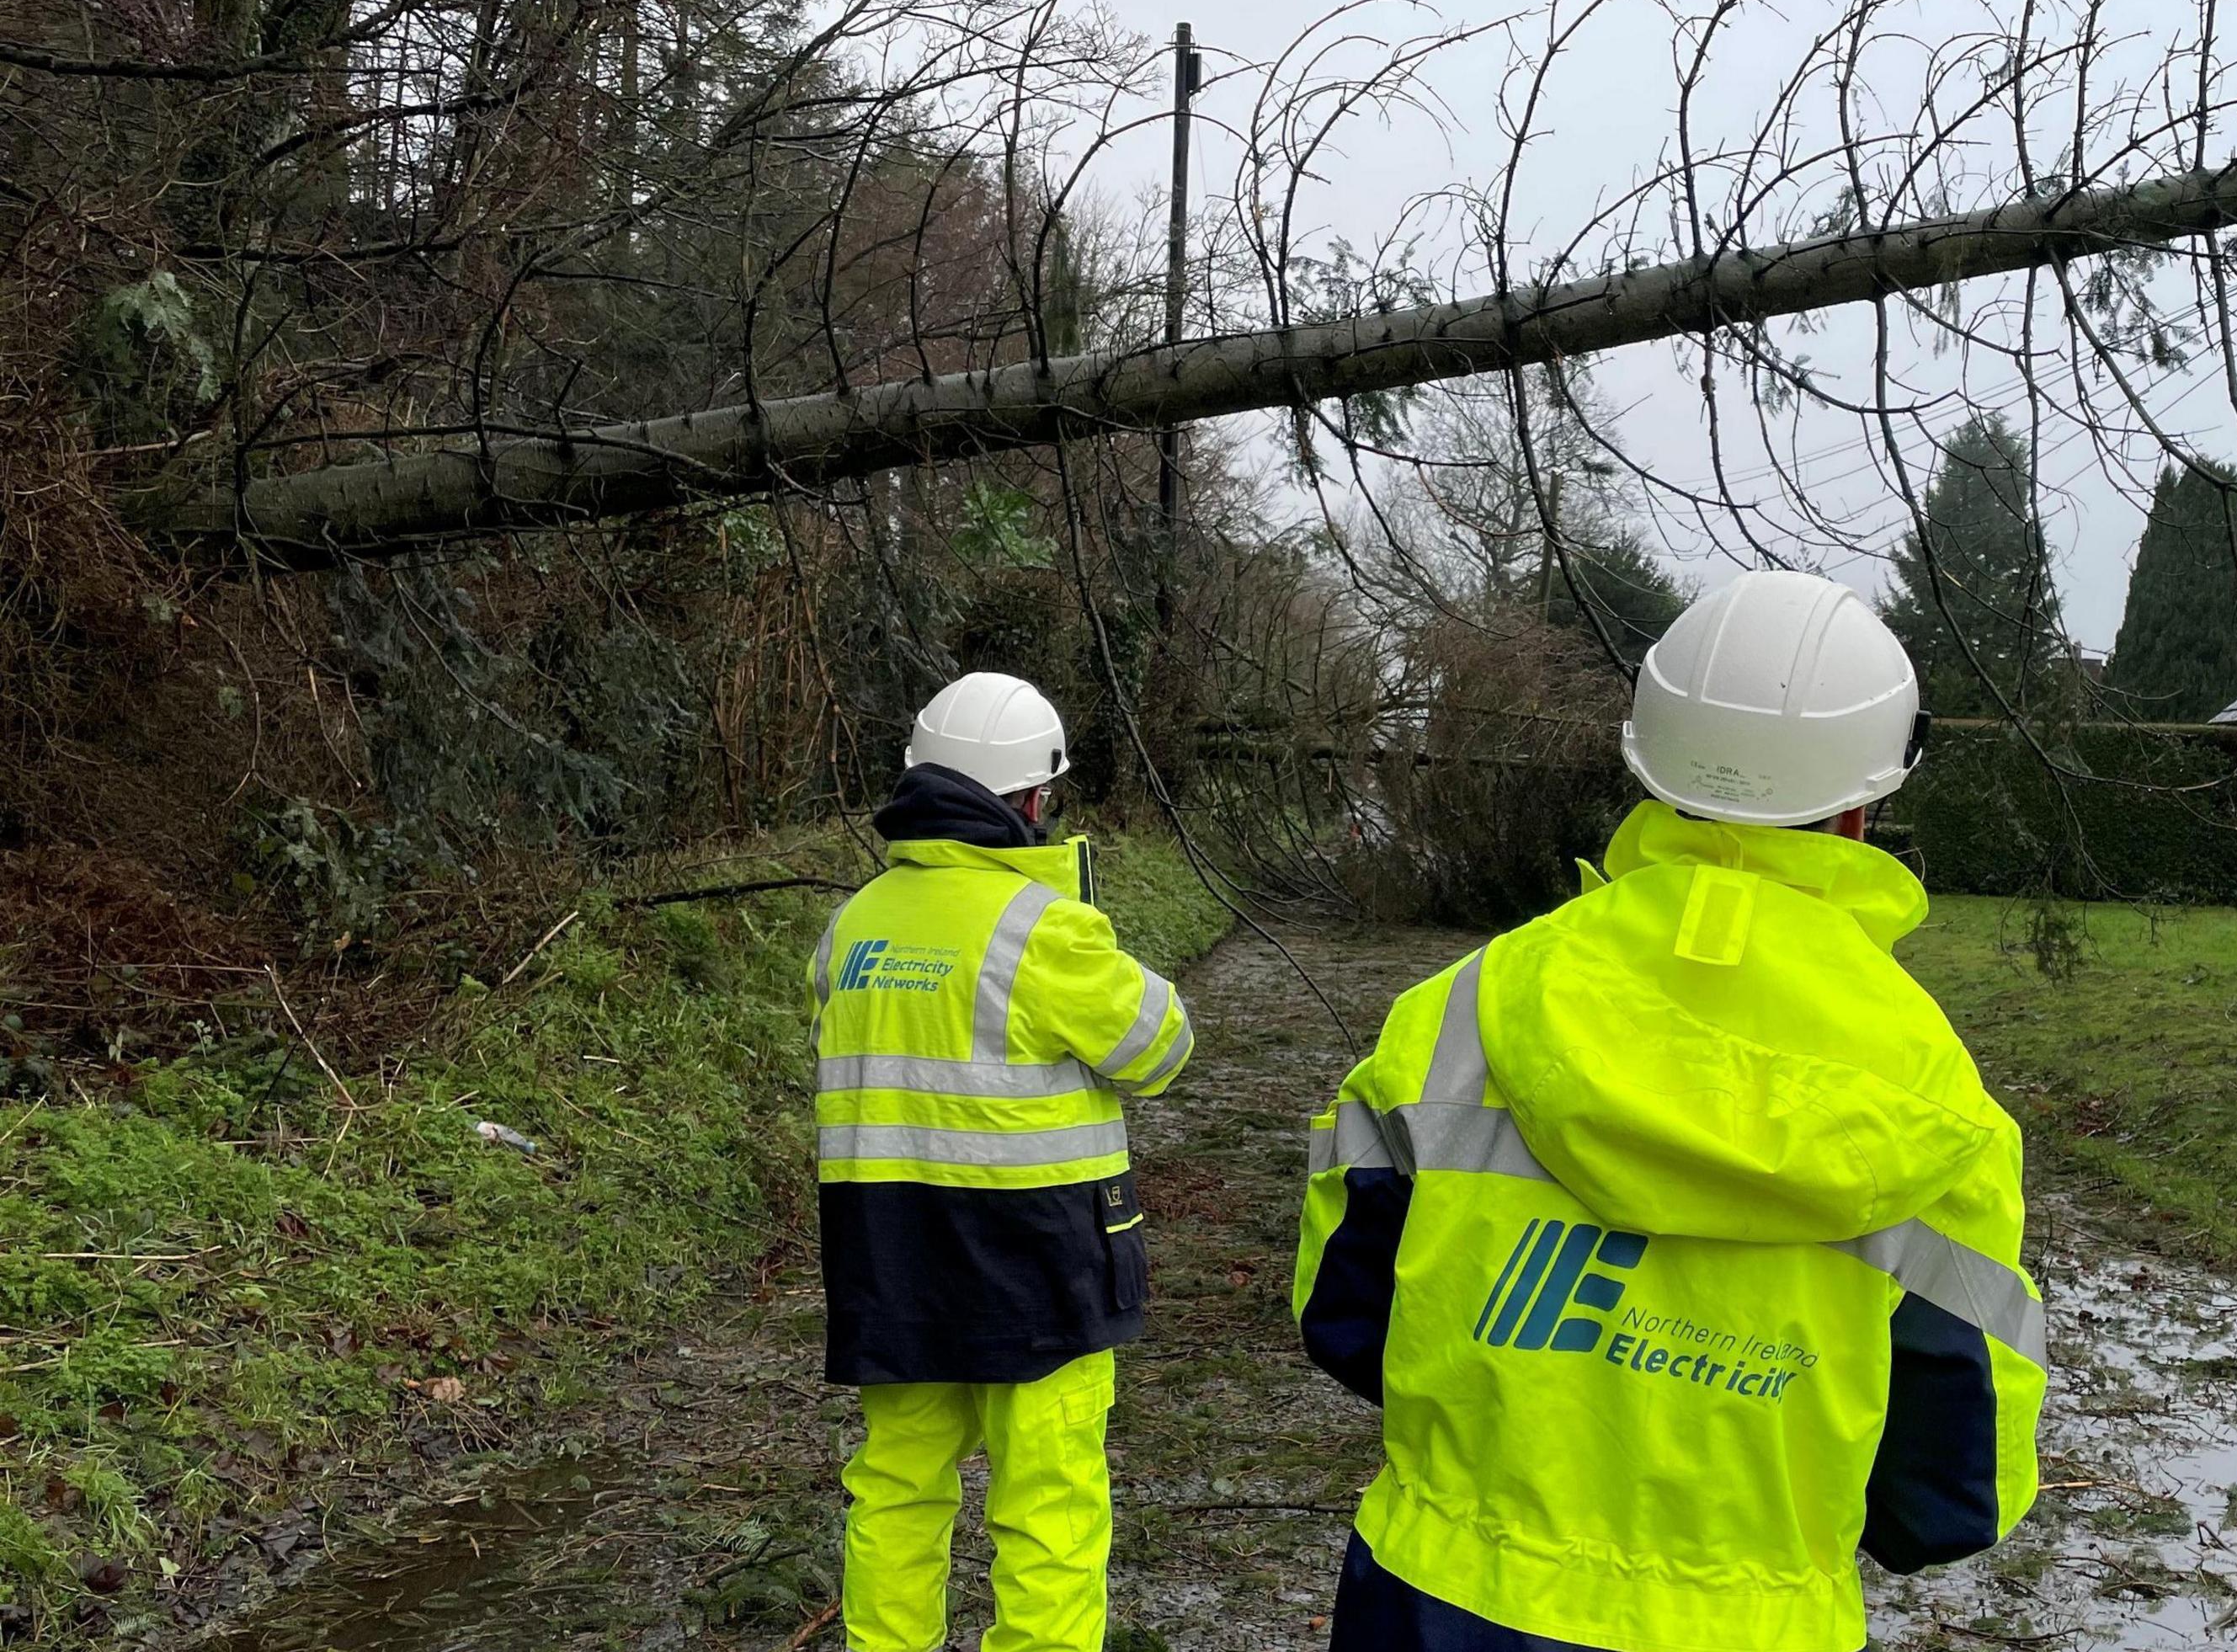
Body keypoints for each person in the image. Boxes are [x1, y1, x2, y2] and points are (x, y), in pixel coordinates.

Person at [1292, 571, 2045, 1652]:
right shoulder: (1940, 1100)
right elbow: (1948, 1494)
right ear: (1862, 804)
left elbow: (1343, 1312)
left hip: (1439, 1596)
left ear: (1646, 758)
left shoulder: (1462, 1009)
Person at [812, 671, 1193, 1652]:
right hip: (1036, 1264)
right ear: (1033, 800)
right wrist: (1065, 889)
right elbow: (1161, 1048)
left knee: (896, 1490)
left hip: (889, 1258)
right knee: (1047, 1509)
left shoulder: (850, 925)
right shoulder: (1045, 929)